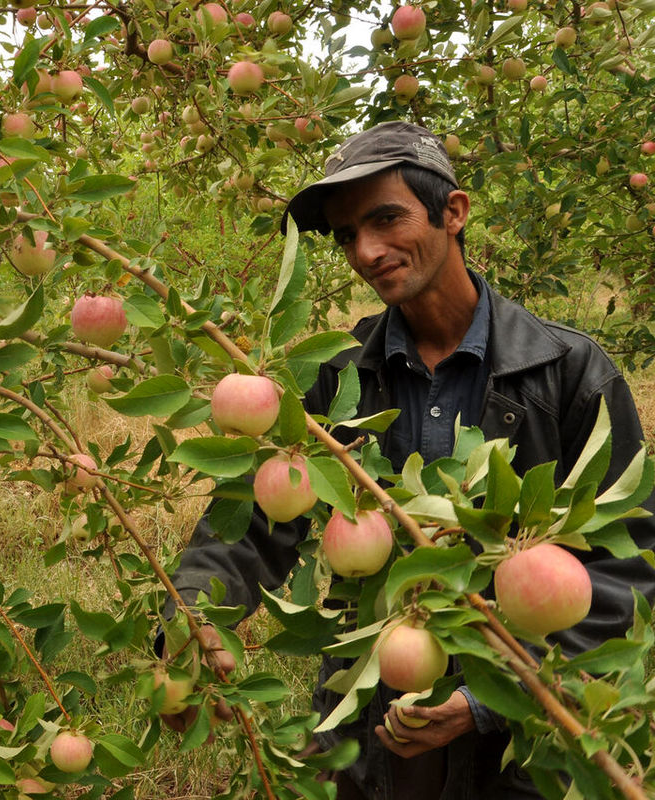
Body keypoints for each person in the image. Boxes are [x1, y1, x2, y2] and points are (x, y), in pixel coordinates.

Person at [168, 121, 655, 799]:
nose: (366, 250)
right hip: (372, 728)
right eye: (345, 235)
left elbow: (631, 573)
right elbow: (250, 523)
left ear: (453, 212)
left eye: (386, 218)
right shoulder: (334, 382)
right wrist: (193, 614)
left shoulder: (570, 375)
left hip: (522, 739)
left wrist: (491, 698)